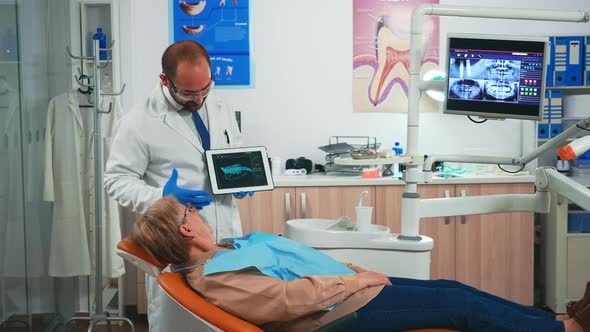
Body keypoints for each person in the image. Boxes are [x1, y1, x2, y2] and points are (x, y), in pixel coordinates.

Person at [131, 196, 590, 332]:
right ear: (187, 230)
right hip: (336, 314)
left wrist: (352, 269)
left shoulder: (225, 251)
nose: (198, 212)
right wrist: (356, 281)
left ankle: (555, 320)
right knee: (459, 307)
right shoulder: (217, 277)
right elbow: (290, 300)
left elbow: (296, 261)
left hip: (349, 290)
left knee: (454, 287)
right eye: (190, 212)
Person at [104, 40, 247, 331]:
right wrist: (160, 197)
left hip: (225, 235)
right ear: (164, 80)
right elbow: (115, 181)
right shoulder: (138, 122)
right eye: (188, 93)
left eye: (206, 88)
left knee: (226, 320)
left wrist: (241, 176)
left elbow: (232, 147)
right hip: (178, 245)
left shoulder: (219, 104)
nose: (199, 99)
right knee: (182, 321)